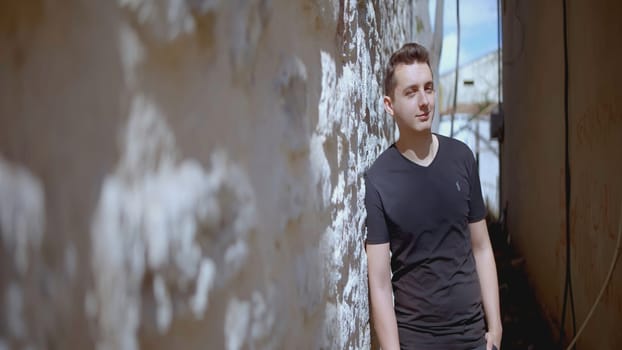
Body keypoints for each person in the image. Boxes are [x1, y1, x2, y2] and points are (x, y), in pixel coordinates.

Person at [364, 42, 502, 350]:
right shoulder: (379, 179)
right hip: (417, 340)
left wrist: (495, 327)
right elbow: (380, 282)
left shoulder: (462, 158)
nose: (424, 101)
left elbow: (481, 247)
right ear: (390, 105)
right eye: (411, 92)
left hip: (472, 336)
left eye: (428, 88)